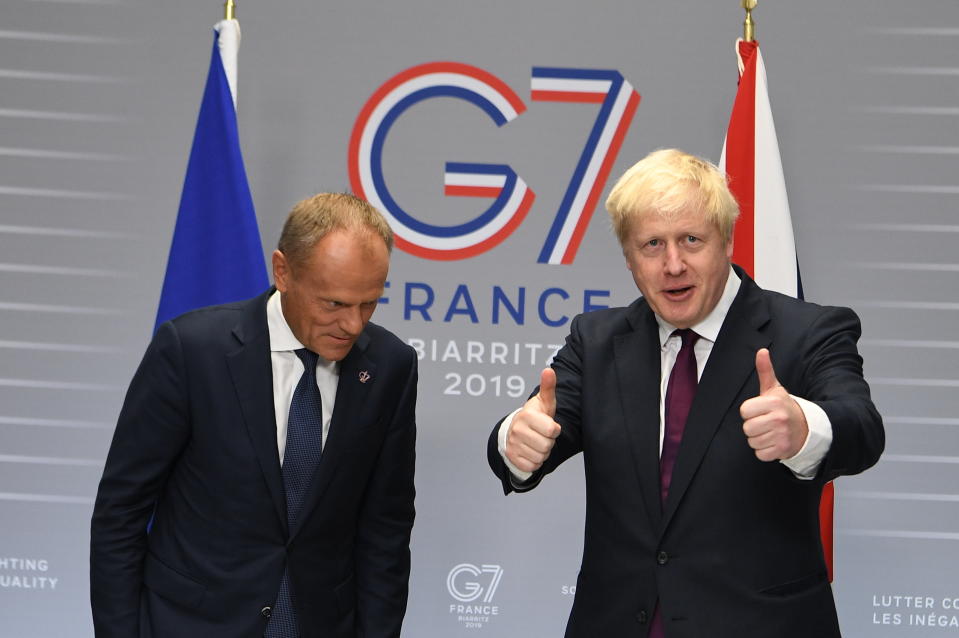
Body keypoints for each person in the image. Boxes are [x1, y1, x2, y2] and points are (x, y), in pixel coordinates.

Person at [488, 149, 884, 638]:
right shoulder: (595, 341)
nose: (673, 264)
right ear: (628, 257)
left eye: (691, 240)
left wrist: (804, 430)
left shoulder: (808, 332)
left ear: (727, 241)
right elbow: (535, 426)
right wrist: (516, 441)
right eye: (651, 244)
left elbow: (861, 428)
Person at [91, 193, 417, 638]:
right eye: (334, 304)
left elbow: (386, 532)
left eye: (369, 303)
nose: (353, 325)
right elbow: (121, 513)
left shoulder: (390, 366)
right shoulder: (192, 351)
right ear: (283, 271)